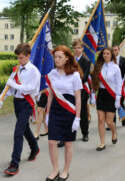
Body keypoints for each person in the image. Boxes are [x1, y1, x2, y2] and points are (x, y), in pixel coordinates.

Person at [45, 45, 82, 181]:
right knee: (51, 141)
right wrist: (47, 114)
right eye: (55, 57)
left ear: (67, 58)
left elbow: (78, 97)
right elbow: (50, 96)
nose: (57, 59)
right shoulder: (51, 74)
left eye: (60, 57)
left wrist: (77, 118)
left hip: (69, 111)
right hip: (55, 110)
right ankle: (55, 170)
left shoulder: (75, 75)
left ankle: (65, 170)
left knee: (68, 143)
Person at [3, 43, 40, 175]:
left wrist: (15, 84)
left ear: (28, 56)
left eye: (22, 58)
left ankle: (14, 163)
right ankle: (35, 147)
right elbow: (10, 85)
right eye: (18, 58)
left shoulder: (34, 71)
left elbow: (30, 88)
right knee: (24, 128)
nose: (19, 60)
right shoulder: (17, 69)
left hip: (26, 103)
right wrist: (2, 98)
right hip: (17, 102)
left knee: (18, 132)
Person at [91, 47, 122, 151]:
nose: (105, 55)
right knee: (100, 119)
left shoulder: (115, 68)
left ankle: (114, 132)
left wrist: (118, 98)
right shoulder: (99, 66)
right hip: (101, 94)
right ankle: (102, 143)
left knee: (109, 121)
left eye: (108, 53)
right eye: (104, 53)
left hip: (111, 95)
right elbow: (94, 81)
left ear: (111, 55)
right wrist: (92, 95)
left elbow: (119, 83)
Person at [112, 45, 125, 127]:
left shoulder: (124, 60)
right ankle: (113, 123)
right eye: (113, 50)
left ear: (119, 50)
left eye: (116, 50)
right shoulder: (110, 60)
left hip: (121, 85)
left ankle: (123, 118)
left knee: (120, 102)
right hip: (112, 86)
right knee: (112, 105)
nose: (114, 51)